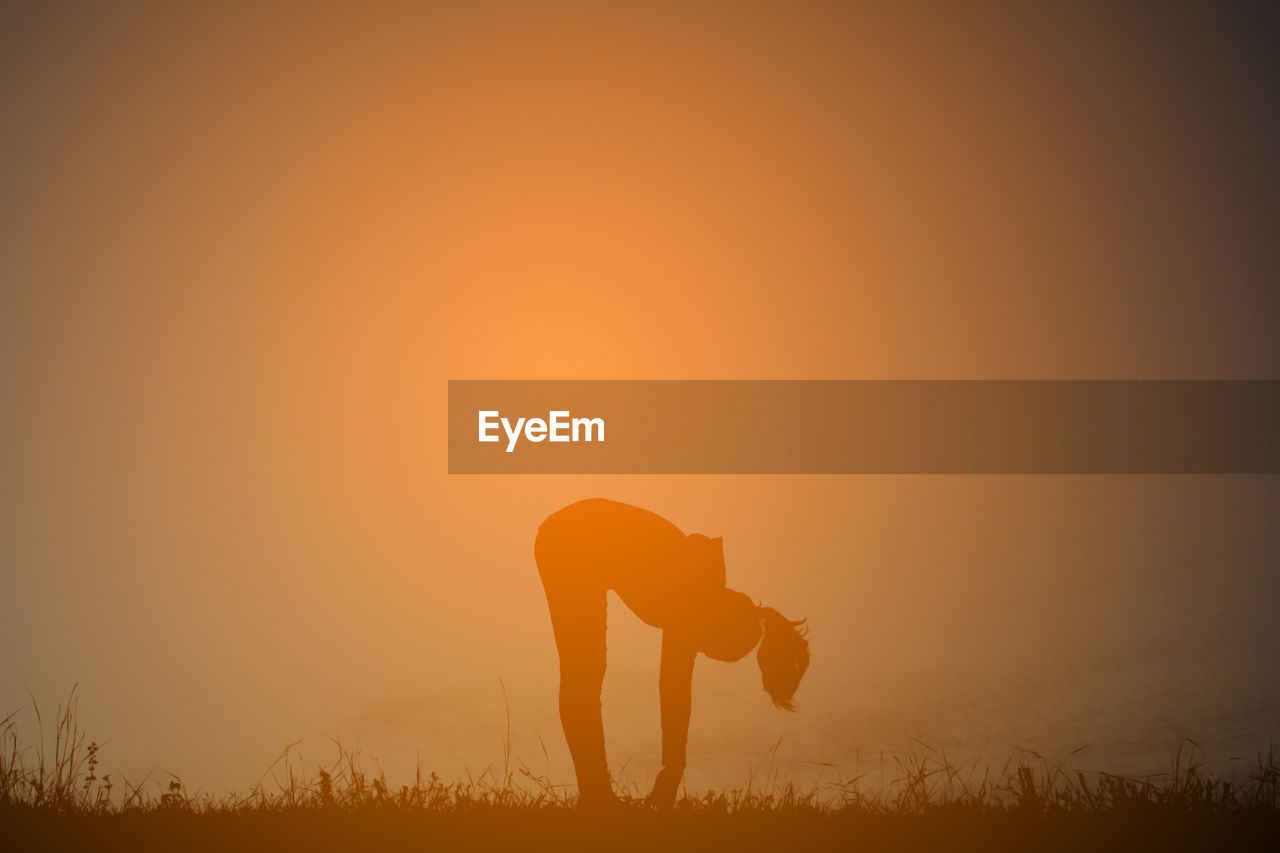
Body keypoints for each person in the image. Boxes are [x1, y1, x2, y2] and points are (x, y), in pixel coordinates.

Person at [534, 497, 810, 808]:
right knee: (583, 675)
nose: (697, 652)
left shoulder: (702, 594)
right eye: (707, 650)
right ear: (717, 630)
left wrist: (673, 767)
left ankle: (596, 795)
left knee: (586, 673)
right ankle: (595, 797)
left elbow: (675, 687)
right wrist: (673, 768)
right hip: (568, 540)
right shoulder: (691, 598)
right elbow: (674, 687)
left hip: (581, 541)